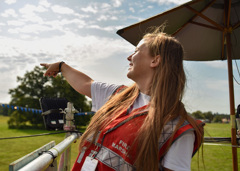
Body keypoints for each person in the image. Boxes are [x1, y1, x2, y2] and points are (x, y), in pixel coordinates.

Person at [41, 28, 204, 171]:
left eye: (136, 51)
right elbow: (85, 84)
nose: (129, 57)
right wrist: (62, 66)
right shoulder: (118, 95)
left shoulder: (178, 129)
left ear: (155, 60)